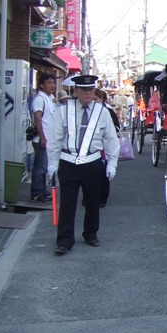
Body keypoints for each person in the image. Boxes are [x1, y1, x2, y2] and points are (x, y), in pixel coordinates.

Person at [47, 75, 120, 255]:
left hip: (92, 162)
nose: (88, 93)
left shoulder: (102, 111)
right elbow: (55, 139)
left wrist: (112, 163)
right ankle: (64, 240)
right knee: (67, 203)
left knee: (93, 200)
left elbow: (111, 139)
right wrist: (52, 164)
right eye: (84, 89)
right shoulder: (64, 110)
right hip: (68, 161)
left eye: (91, 89)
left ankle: (90, 233)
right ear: (75, 91)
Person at [30, 73, 57, 203]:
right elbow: (38, 118)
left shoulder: (50, 97)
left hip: (50, 139)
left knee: (45, 166)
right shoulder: (39, 98)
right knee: (40, 167)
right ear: (42, 85)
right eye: (49, 83)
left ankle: (42, 189)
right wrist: (42, 137)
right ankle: (37, 193)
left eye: (53, 82)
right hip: (42, 138)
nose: (52, 85)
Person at [95, 88, 121, 208]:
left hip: (104, 147)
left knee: (104, 172)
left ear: (102, 99)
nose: (94, 102)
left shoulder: (107, 111)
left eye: (97, 99)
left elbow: (116, 126)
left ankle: (102, 198)